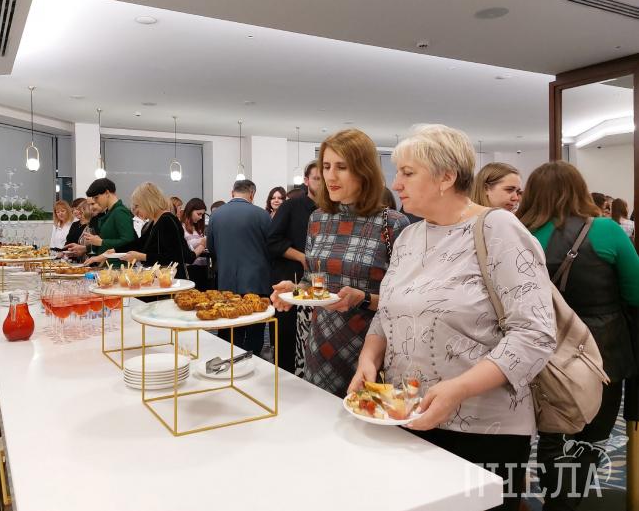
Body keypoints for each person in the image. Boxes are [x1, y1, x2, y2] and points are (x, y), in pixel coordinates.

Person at [347, 124, 555, 511]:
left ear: (446, 177)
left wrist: (457, 389)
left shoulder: (497, 228)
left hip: (483, 429)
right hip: (410, 416)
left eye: (408, 172)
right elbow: (387, 313)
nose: (396, 183)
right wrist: (368, 360)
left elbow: (534, 334)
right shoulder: (409, 237)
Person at [517, 161, 639, 509]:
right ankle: (564, 502)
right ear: (579, 191)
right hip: (599, 351)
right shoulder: (606, 231)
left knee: (549, 431)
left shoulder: (516, 232)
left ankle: (547, 491)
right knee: (588, 437)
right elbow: (635, 293)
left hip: (535, 348)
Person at [271, 129, 410, 396]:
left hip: (371, 349)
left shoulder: (392, 223)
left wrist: (363, 299)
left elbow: (404, 301)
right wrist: (295, 291)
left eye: (342, 167)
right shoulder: (318, 219)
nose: (330, 176)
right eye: (326, 166)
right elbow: (312, 281)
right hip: (320, 346)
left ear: (364, 170)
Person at [267, 160, 321, 375]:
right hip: (290, 280)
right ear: (306, 181)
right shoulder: (291, 206)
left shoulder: (333, 210)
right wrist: (302, 257)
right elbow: (272, 241)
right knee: (286, 340)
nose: (323, 183)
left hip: (319, 287)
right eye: (317, 178)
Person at [207, 179, 271, 354]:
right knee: (255, 328)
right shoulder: (262, 215)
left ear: (232, 192)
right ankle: (253, 360)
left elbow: (212, 248)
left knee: (229, 326)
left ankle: (228, 360)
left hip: (226, 280)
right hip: (257, 281)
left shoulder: (216, 215)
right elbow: (271, 246)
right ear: (252, 194)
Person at [87, 183, 198, 277]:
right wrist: (115, 250)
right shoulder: (154, 221)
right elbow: (140, 243)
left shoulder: (167, 220)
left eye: (137, 206)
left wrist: (141, 257)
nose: (136, 211)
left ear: (147, 202)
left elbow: (174, 257)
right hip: (161, 278)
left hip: (172, 280)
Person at [80, 178, 137, 261]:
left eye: (96, 197)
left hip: (118, 264)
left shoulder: (119, 212)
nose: (95, 201)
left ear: (107, 193)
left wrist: (101, 242)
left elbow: (129, 241)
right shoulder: (111, 212)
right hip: (108, 263)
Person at [181, 198, 209, 291]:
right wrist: (202, 243)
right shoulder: (181, 228)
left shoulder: (198, 228)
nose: (201, 217)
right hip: (191, 269)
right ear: (190, 211)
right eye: (198, 214)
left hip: (203, 267)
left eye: (202, 214)